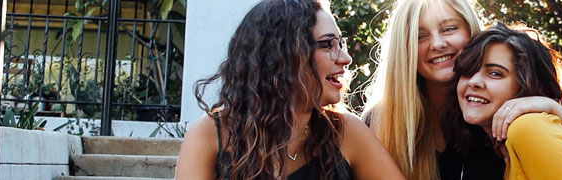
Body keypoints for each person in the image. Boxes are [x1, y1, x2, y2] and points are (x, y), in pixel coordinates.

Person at [360, 0, 562, 179]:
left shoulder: (501, 108)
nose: (437, 43)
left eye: (449, 29)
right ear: (402, 48)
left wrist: (550, 106)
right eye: (420, 36)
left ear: (470, 31)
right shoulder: (382, 120)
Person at [173, 0, 404, 179]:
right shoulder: (211, 135)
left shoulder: (346, 133)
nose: (345, 58)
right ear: (282, 55)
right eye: (327, 45)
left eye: (340, 44)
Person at [452, 24, 562, 180]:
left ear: (526, 83)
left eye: (495, 73)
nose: (474, 81)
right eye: (468, 70)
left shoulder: (528, 129)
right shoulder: (506, 145)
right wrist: (553, 107)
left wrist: (551, 106)